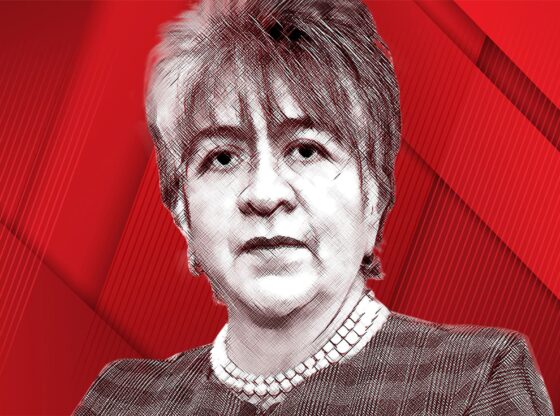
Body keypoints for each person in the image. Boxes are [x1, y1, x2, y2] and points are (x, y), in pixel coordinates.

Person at [74, 0, 554, 415]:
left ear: (374, 194)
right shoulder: (125, 400)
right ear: (181, 212)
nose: (264, 194)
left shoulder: (473, 383)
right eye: (221, 158)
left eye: (306, 150)